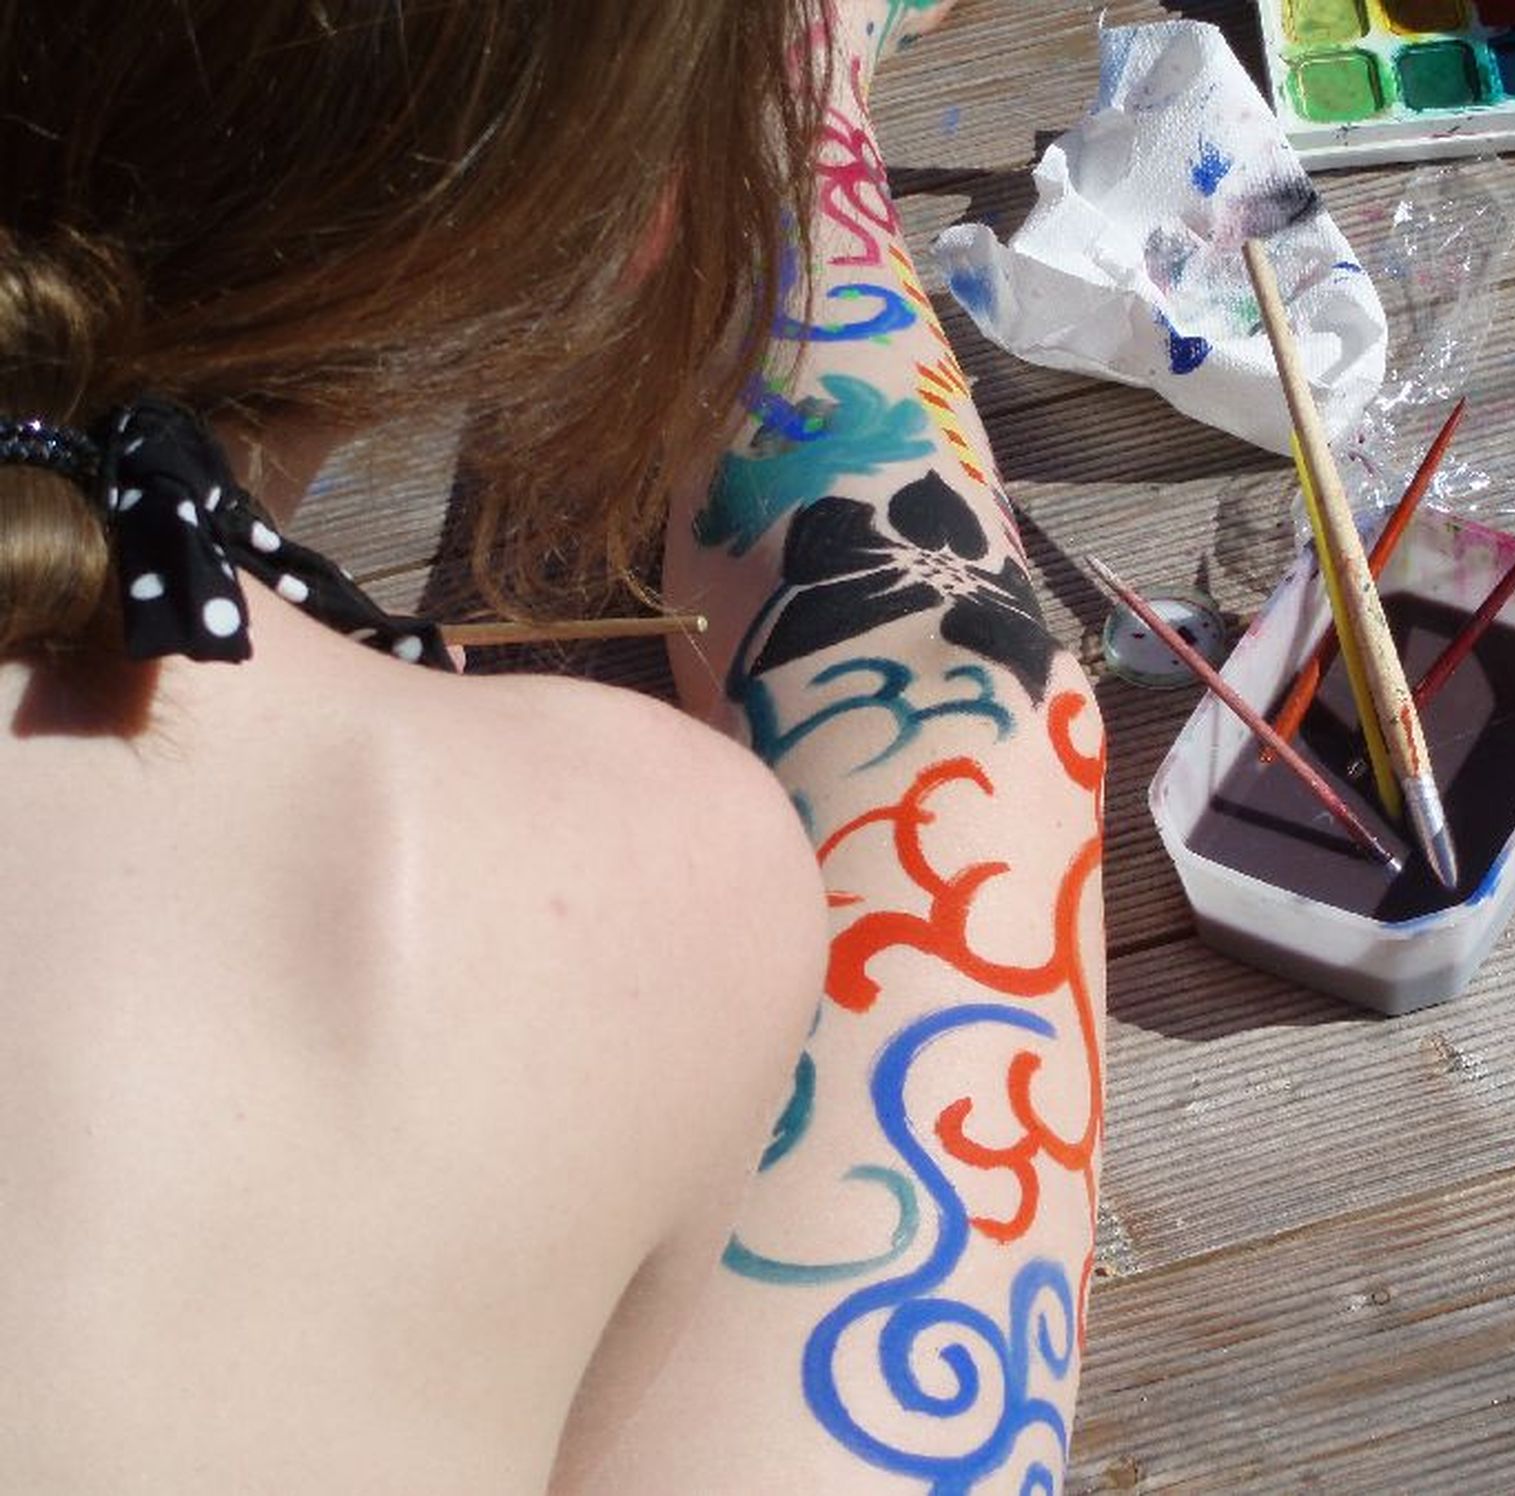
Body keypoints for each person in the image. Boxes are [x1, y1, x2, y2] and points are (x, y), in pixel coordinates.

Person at [0, 0, 1105, 1490]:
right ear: (604, 217)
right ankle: (796, 77)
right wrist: (764, 111)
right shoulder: (618, 876)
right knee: (967, 723)